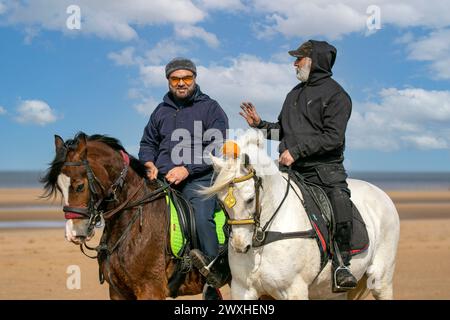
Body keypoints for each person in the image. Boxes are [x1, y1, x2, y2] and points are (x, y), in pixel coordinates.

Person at [239, 40, 357, 291]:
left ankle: (341, 264)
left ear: (316, 61)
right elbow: (283, 131)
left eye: (299, 59)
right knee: (247, 200)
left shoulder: (338, 96)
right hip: (290, 171)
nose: (294, 63)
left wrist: (297, 151)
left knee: (341, 206)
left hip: (325, 171)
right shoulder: (293, 94)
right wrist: (260, 125)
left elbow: (333, 138)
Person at [139, 57, 229, 299]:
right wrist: (148, 162)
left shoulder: (210, 108)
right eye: (175, 79)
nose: (181, 83)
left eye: (186, 78)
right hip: (162, 180)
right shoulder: (160, 111)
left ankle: (214, 276)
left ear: (195, 79)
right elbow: (148, 143)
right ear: (168, 81)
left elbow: (217, 145)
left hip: (199, 178)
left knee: (201, 217)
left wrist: (187, 168)